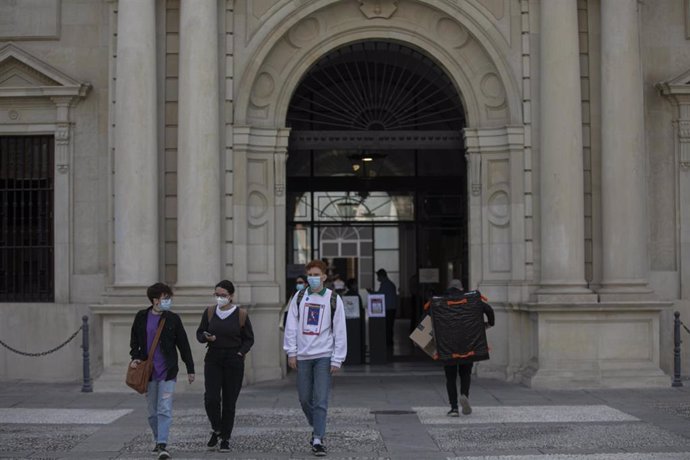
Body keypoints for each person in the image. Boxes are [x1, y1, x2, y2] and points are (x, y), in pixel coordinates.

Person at [283, 259, 347, 457]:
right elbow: (291, 325)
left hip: (323, 356)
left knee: (320, 399)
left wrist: (337, 358)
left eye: (316, 275)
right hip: (303, 356)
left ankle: (318, 438)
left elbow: (340, 330)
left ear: (324, 277)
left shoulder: (332, 299)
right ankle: (316, 423)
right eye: (309, 275)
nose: (312, 278)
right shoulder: (299, 297)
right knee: (304, 398)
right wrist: (291, 352)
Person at [129, 282, 195, 460]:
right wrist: (135, 356)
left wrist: (190, 368)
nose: (169, 301)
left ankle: (162, 445)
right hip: (148, 372)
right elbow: (134, 339)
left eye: (169, 298)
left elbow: (183, 344)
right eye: (166, 298)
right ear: (155, 300)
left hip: (167, 371)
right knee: (152, 412)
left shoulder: (173, 319)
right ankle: (158, 439)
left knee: (164, 409)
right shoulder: (141, 316)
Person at [196, 280, 255, 452]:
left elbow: (249, 338)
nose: (220, 298)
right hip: (213, 357)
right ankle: (217, 428)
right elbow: (200, 333)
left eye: (223, 295)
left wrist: (240, 353)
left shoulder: (240, 314)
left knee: (229, 401)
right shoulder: (209, 312)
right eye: (217, 295)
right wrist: (206, 337)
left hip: (233, 359)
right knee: (211, 398)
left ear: (231, 296)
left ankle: (225, 438)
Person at [439, 279, 494, 417]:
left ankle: (454, 408)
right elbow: (489, 309)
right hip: (468, 344)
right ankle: (464, 395)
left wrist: (420, 338)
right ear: (461, 288)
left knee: (450, 377)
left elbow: (427, 318)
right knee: (465, 373)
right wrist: (488, 324)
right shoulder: (471, 299)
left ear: (448, 288)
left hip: (448, 345)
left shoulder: (440, 301)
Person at [371, 268, 398, 347]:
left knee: (387, 326)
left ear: (382, 276)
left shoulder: (385, 285)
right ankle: (389, 342)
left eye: (378, 276)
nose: (377, 278)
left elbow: (379, 295)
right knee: (389, 326)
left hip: (388, 309)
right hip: (391, 308)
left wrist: (372, 293)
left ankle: (388, 343)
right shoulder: (390, 284)